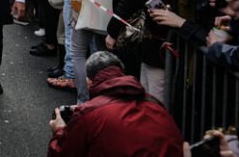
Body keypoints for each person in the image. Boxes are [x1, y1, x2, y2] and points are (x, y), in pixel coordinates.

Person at [47, 51, 183, 157]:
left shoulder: (90, 113)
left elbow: (61, 153)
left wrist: (59, 131)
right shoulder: (155, 104)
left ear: (89, 81)